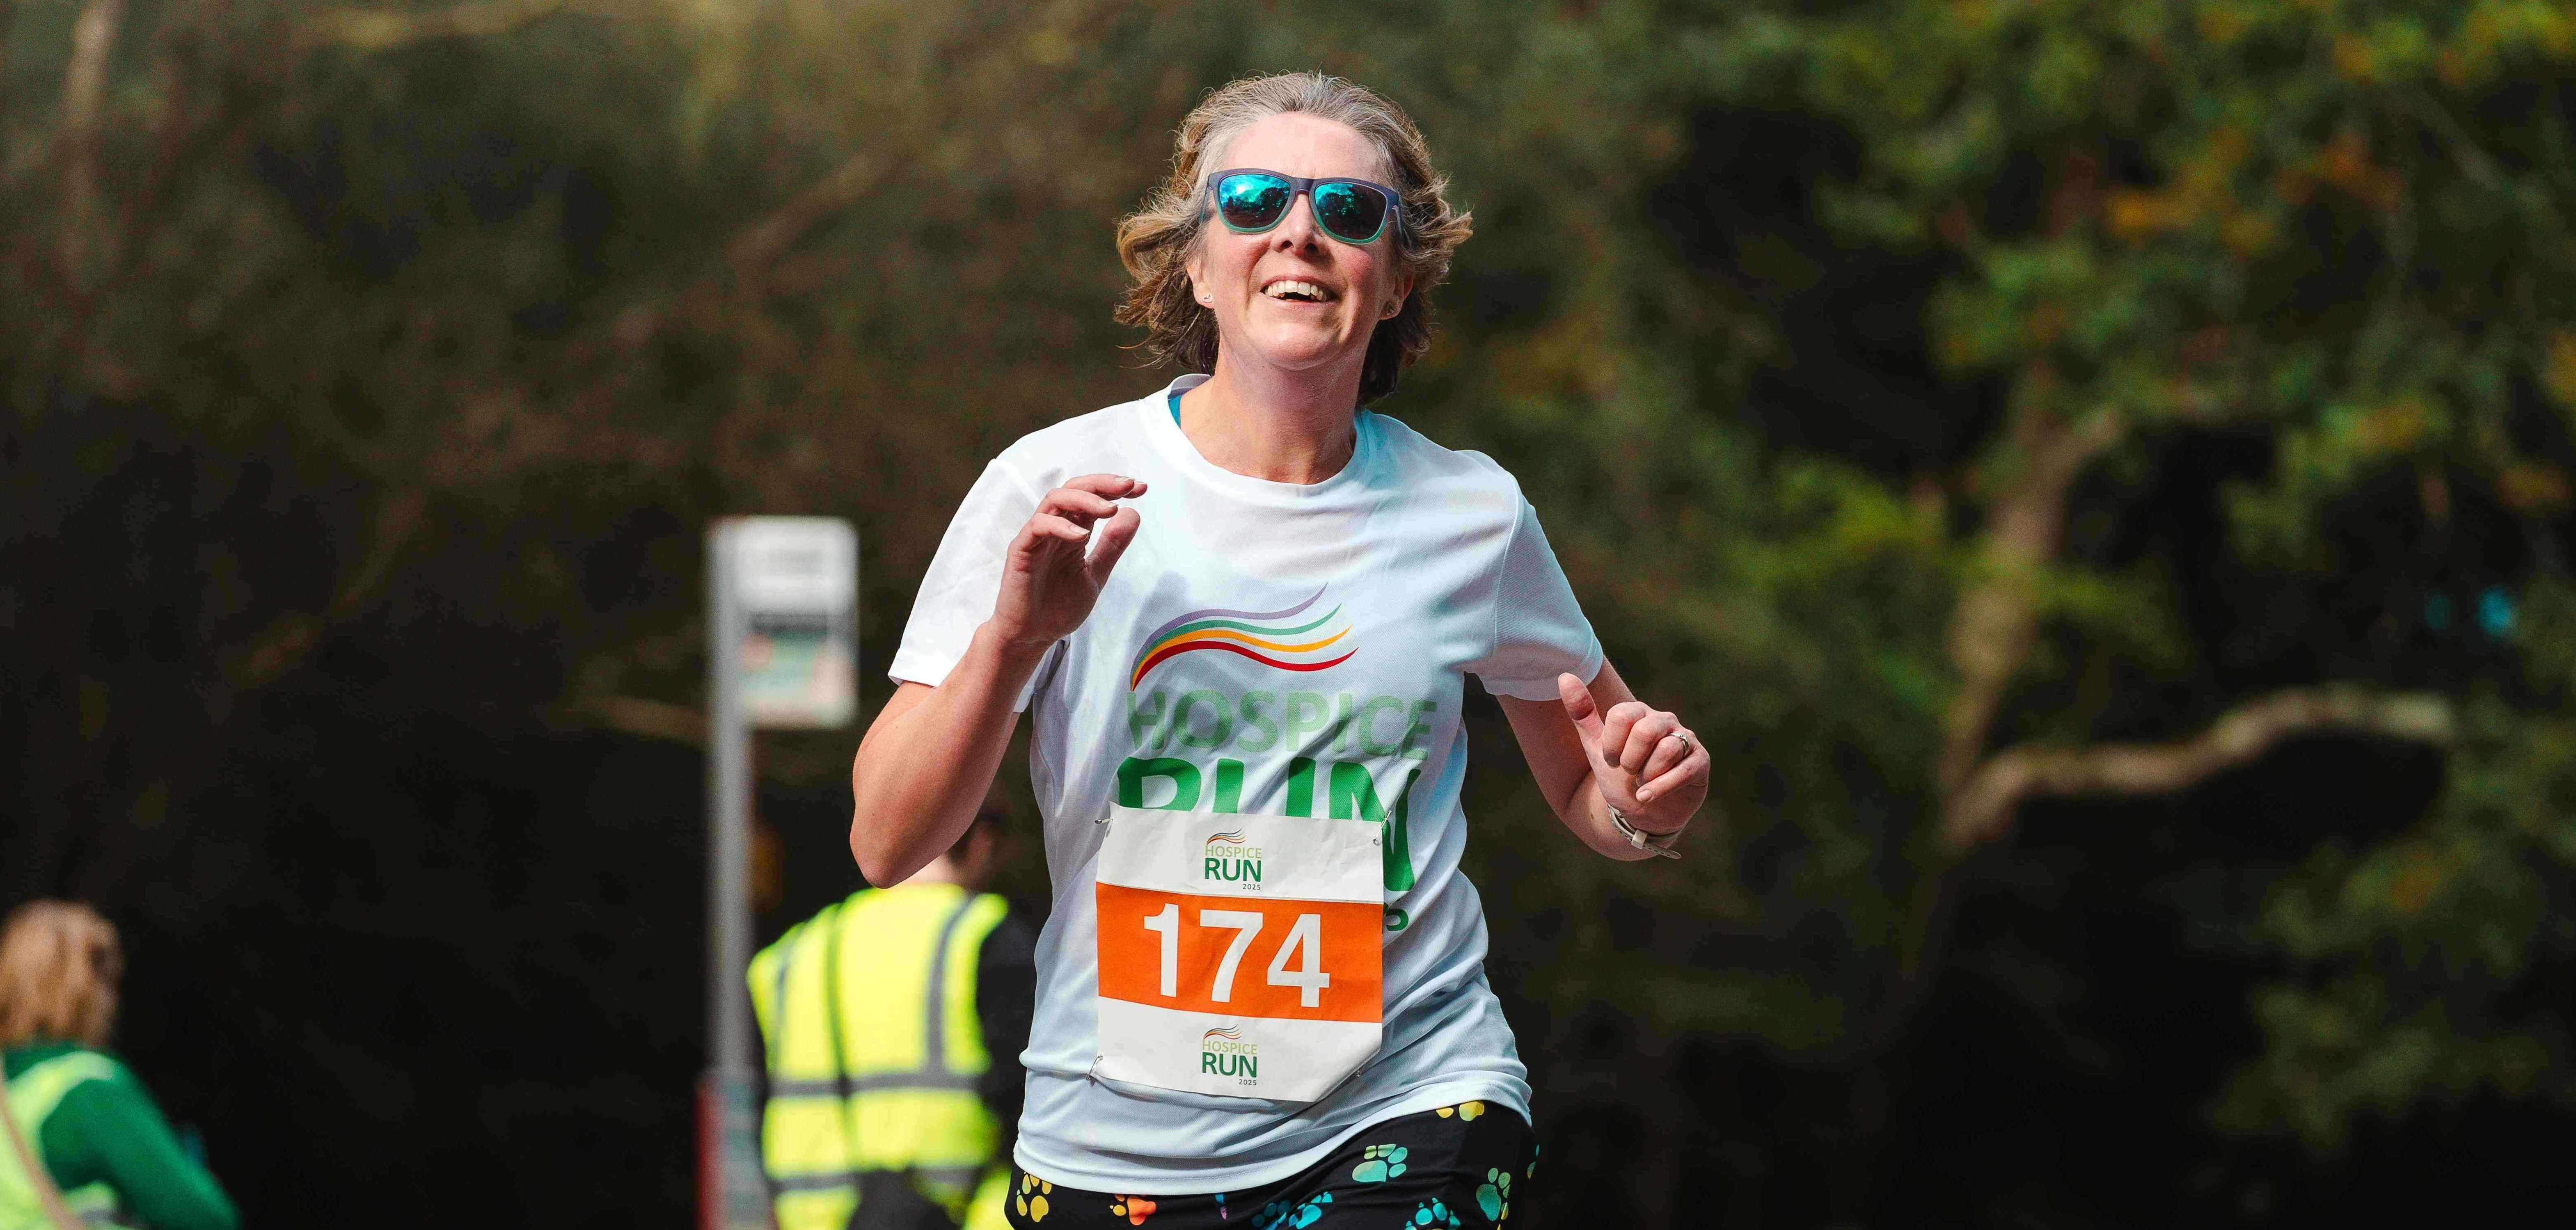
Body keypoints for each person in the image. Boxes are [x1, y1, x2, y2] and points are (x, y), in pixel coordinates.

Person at [850, 71, 1710, 1229]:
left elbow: (1592, 787)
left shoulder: (1472, 514)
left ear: (1396, 278)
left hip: (1410, 1103)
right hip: (1114, 1140)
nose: (1299, 230)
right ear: (1196, 263)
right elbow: (887, 840)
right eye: (1254, 200)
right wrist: (1013, 640)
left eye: (1348, 211)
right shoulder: (1049, 488)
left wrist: (1646, 805)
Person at [750, 805, 1037, 1230]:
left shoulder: (790, 957)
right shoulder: (985, 934)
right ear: (982, 840)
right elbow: (1032, 1104)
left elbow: (765, 1108)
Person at [0, 901, 240, 1230]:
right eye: (106, 982)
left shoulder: (12, 1088)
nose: (110, 1001)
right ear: (82, 989)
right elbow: (205, 1218)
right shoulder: (84, 1089)